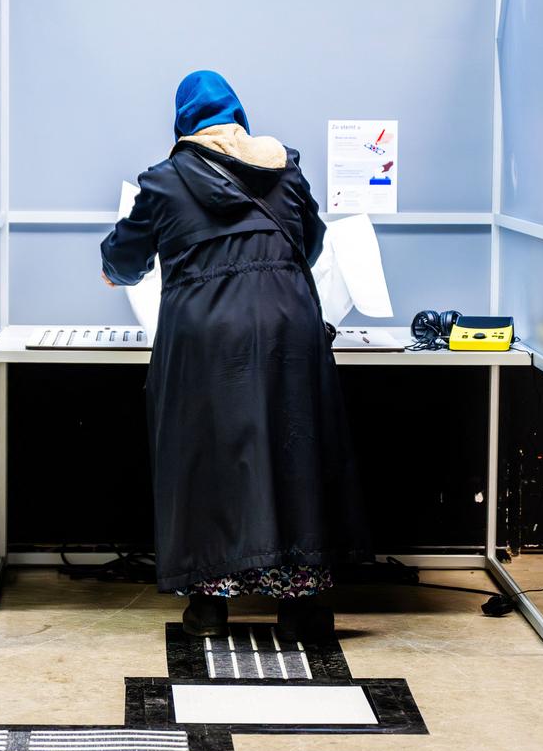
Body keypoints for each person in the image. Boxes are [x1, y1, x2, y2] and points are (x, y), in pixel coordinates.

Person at [100, 71, 370, 641]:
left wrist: (116, 268)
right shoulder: (284, 169)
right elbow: (312, 243)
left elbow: (123, 260)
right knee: (295, 456)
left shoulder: (166, 181)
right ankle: (303, 609)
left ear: (183, 124)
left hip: (205, 334)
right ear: (238, 117)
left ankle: (208, 609)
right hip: (288, 327)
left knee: (206, 461)